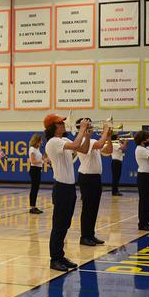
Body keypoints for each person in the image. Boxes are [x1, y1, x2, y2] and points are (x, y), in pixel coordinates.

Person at [44, 114, 90, 271]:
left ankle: (60, 255)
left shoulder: (63, 140)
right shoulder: (53, 142)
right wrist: (82, 129)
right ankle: (54, 259)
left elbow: (82, 148)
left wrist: (87, 134)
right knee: (58, 224)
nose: (63, 124)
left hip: (69, 187)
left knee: (65, 224)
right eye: (60, 123)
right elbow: (77, 142)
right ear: (52, 127)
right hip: (61, 187)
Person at [76, 119, 112, 246]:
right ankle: (84, 236)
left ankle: (90, 235)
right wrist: (105, 131)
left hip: (95, 178)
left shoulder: (92, 141)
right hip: (87, 177)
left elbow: (108, 151)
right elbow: (100, 144)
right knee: (87, 208)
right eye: (88, 124)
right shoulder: (87, 141)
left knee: (94, 208)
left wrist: (108, 137)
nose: (91, 126)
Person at [28, 133, 47, 214]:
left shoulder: (37, 149)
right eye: (40, 140)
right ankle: (32, 207)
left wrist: (46, 159)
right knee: (34, 188)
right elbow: (33, 161)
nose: (41, 142)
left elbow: (41, 158)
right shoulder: (32, 149)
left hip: (38, 169)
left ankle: (34, 206)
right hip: (34, 170)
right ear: (37, 141)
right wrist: (43, 161)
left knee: (36, 188)